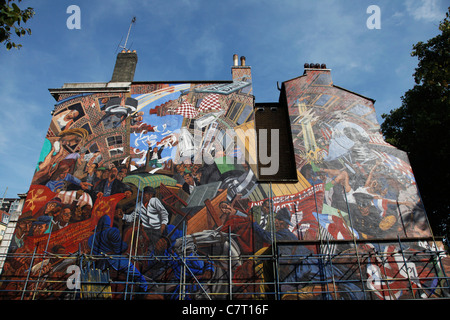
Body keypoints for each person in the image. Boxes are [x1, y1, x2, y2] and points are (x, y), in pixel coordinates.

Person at [88, 215, 148, 292]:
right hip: (115, 260)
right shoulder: (112, 232)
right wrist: (125, 245)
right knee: (136, 274)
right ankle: (143, 287)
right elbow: (118, 248)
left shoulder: (92, 238)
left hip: (101, 263)